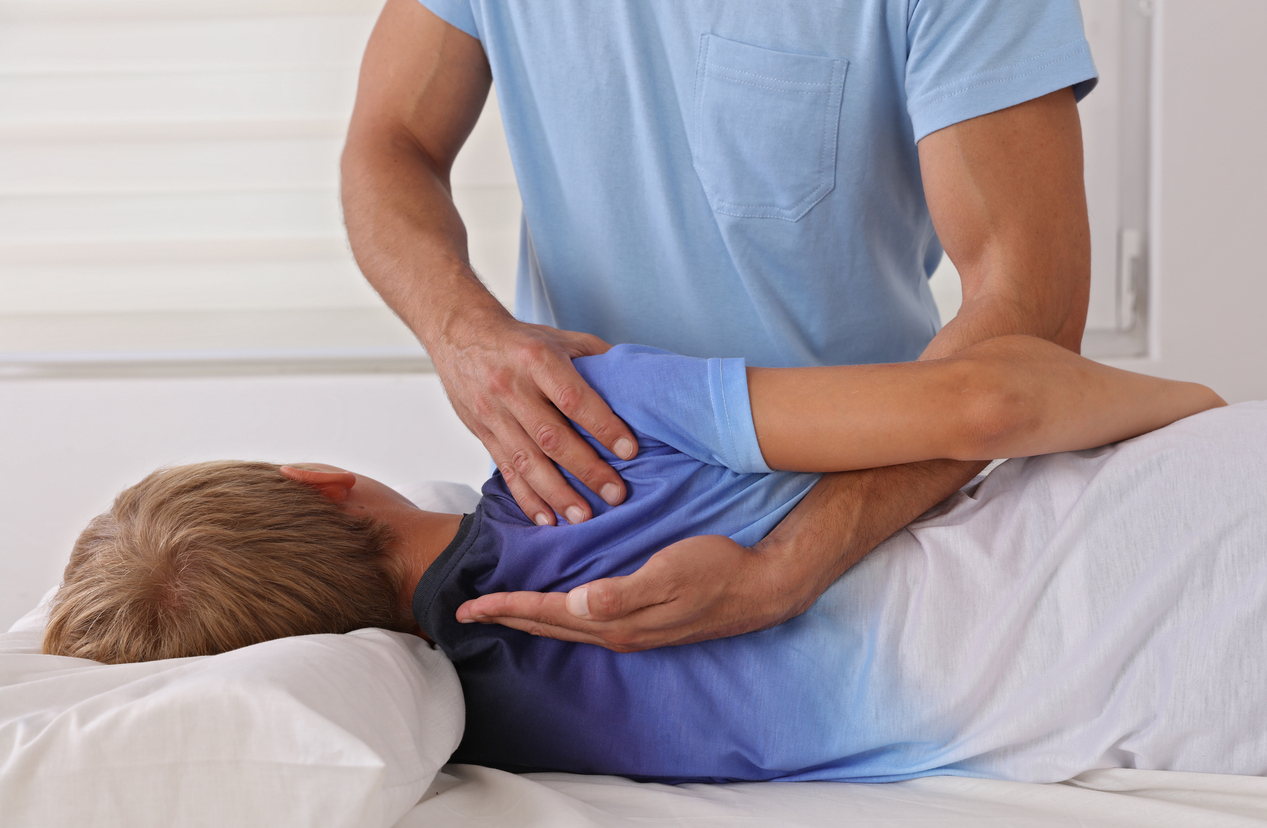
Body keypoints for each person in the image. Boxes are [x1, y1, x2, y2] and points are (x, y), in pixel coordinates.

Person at [45, 338, 1267, 783]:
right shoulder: (583, 427)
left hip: (1199, 713)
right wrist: (1192, 399)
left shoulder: (486, 736)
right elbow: (994, 403)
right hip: (1199, 519)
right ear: (324, 482)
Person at [340, 0, 1102, 649]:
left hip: (858, 522)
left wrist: (789, 564)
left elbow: (1032, 311)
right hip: (588, 517)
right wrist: (460, 333)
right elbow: (390, 140)